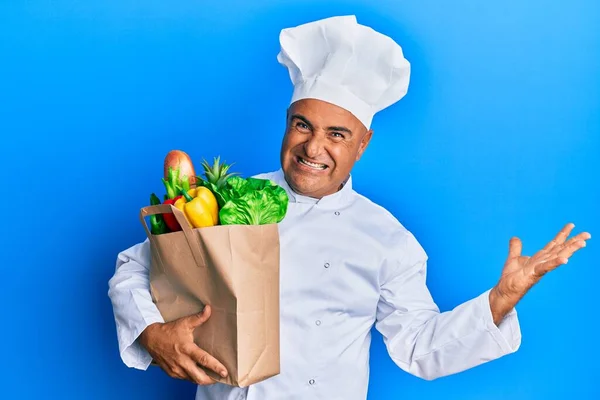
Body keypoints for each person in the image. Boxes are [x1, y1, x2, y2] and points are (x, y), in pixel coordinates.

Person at [107, 15, 591, 400]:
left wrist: (500, 300)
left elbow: (420, 347)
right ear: (288, 122)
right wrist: (152, 332)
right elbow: (136, 265)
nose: (313, 147)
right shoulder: (227, 198)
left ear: (362, 144)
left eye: (336, 134)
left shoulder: (386, 239)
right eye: (302, 125)